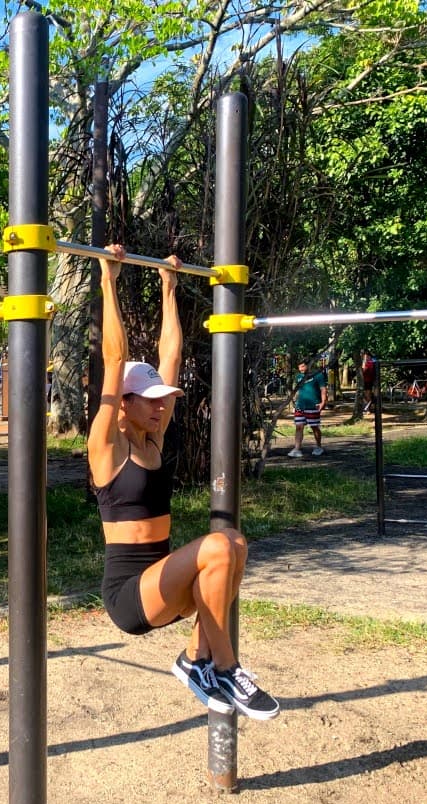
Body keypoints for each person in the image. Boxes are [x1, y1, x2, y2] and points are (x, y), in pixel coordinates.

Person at [88, 244, 278, 720]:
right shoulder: (107, 447)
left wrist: (169, 287)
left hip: (169, 591)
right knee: (217, 545)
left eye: (162, 400)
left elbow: (170, 354)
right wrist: (107, 277)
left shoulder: (154, 437)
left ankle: (194, 658)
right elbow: (115, 361)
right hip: (131, 595)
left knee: (234, 542)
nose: (159, 406)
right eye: (149, 400)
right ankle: (227, 669)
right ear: (124, 403)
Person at [289, 359, 328, 457]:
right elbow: (297, 390)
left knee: (314, 427)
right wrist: (294, 402)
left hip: (313, 405)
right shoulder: (298, 377)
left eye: (302, 366)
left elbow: (323, 389)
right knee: (299, 427)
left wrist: (323, 402)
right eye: (299, 367)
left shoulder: (318, 375)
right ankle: (297, 449)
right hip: (300, 405)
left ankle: (319, 447)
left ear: (308, 365)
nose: (300, 369)